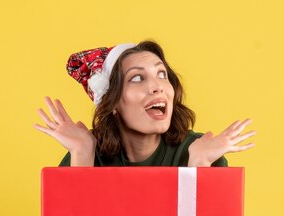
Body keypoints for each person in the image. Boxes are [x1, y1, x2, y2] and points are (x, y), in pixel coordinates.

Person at [34, 40, 257, 167]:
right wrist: (82, 153)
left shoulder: (200, 151)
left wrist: (199, 164)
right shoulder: (87, 153)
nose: (157, 86)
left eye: (162, 74)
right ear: (111, 102)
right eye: (138, 78)